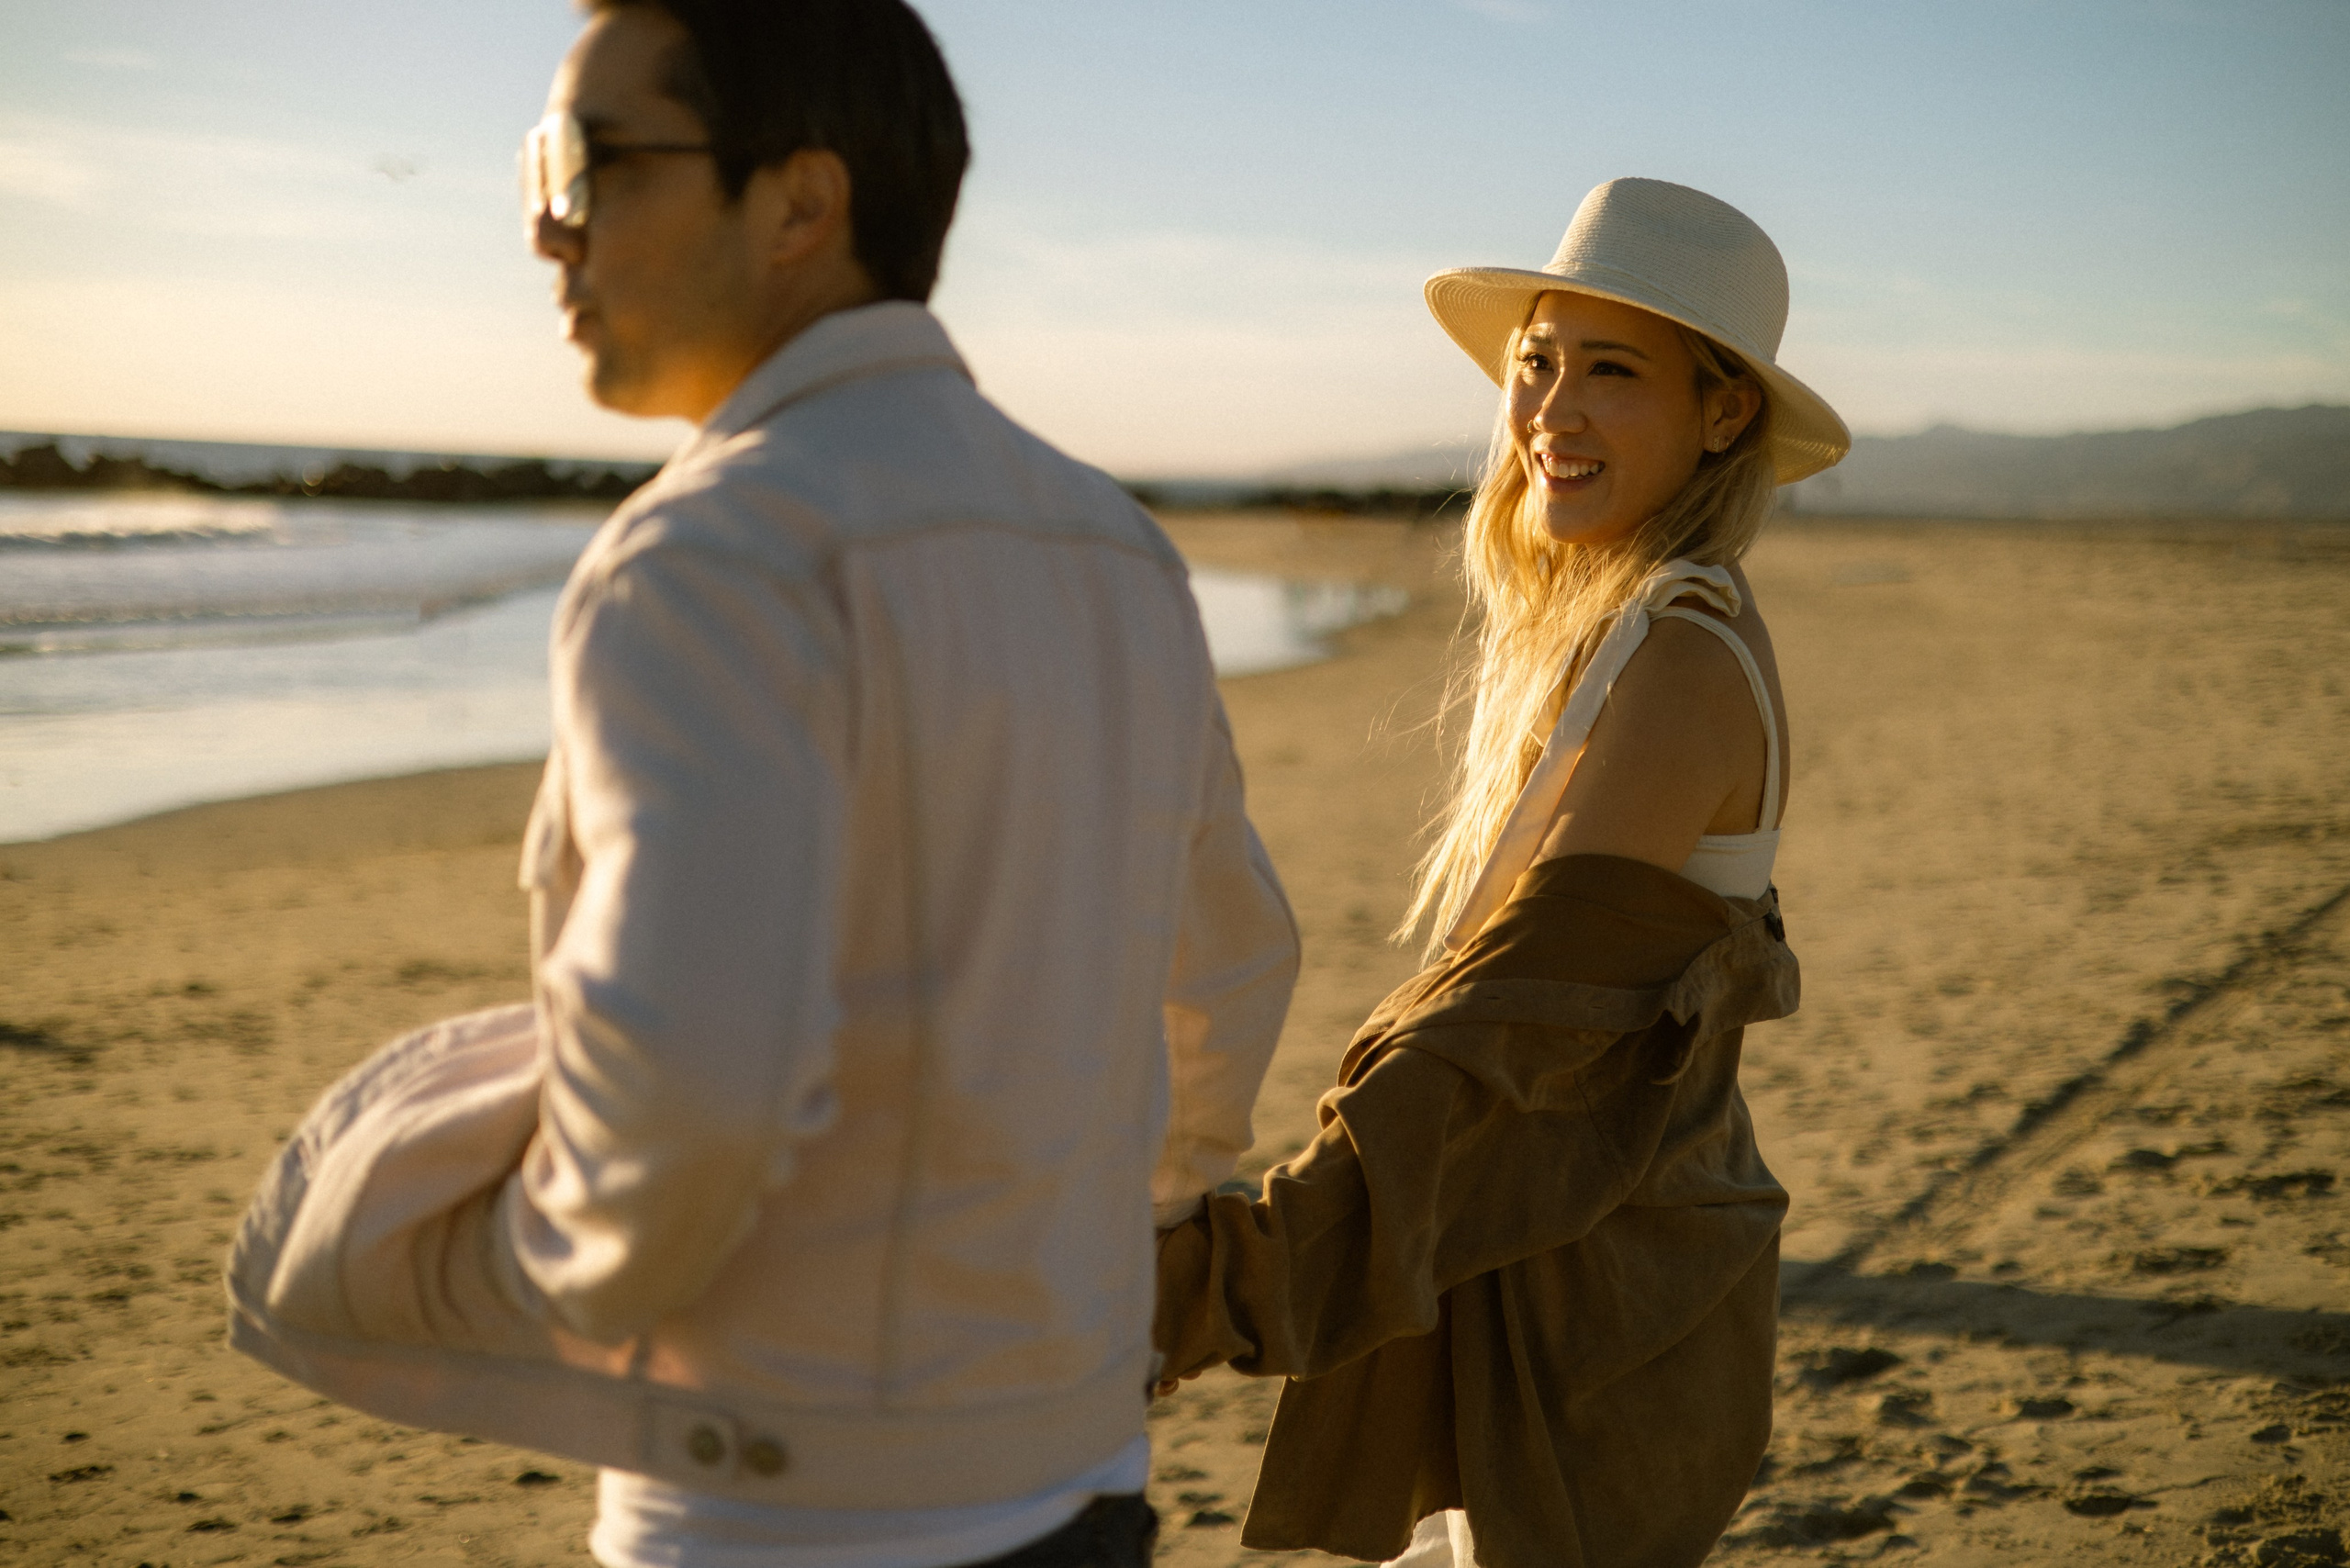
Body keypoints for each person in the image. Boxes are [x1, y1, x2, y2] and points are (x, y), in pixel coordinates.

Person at [224, 3, 1299, 1565]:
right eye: (541, 168)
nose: (545, 227)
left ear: (800, 201)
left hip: (779, 1498)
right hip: (1080, 1465)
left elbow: (686, 1099)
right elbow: (1228, 973)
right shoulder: (1116, 547)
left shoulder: (709, 556)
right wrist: (1094, 1256)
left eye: (588, 163)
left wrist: (491, 1268)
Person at [1150, 178, 1851, 1568]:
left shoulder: (1680, 652)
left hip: (1599, 1321)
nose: (1552, 411)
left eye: (1613, 371)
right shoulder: (1621, 626)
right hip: (1567, 1260)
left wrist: (1215, 1283)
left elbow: (1505, 1038)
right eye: (1537, 363)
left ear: (1723, 414)